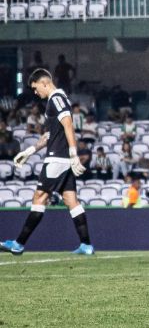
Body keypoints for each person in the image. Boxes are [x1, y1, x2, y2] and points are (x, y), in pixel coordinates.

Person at [2, 69, 95, 255]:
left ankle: (19, 244)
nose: (36, 93)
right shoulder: (55, 100)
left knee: (39, 198)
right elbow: (50, 135)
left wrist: (73, 153)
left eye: (36, 88)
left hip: (57, 159)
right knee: (71, 200)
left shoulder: (56, 98)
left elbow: (68, 123)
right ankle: (86, 245)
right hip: (62, 158)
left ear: (44, 83)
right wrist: (29, 151)